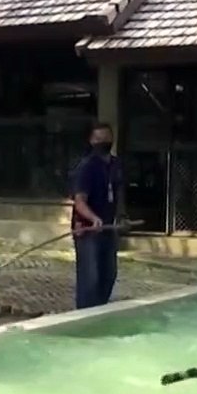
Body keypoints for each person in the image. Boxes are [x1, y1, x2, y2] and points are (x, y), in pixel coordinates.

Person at [70, 122, 125, 309]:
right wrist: (93, 218)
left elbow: (118, 194)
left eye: (106, 138)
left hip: (108, 228)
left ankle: (99, 309)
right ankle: (85, 312)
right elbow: (79, 201)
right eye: (99, 139)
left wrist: (121, 216)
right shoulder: (87, 167)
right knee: (90, 276)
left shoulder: (115, 165)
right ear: (92, 141)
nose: (103, 142)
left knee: (109, 273)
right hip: (88, 229)